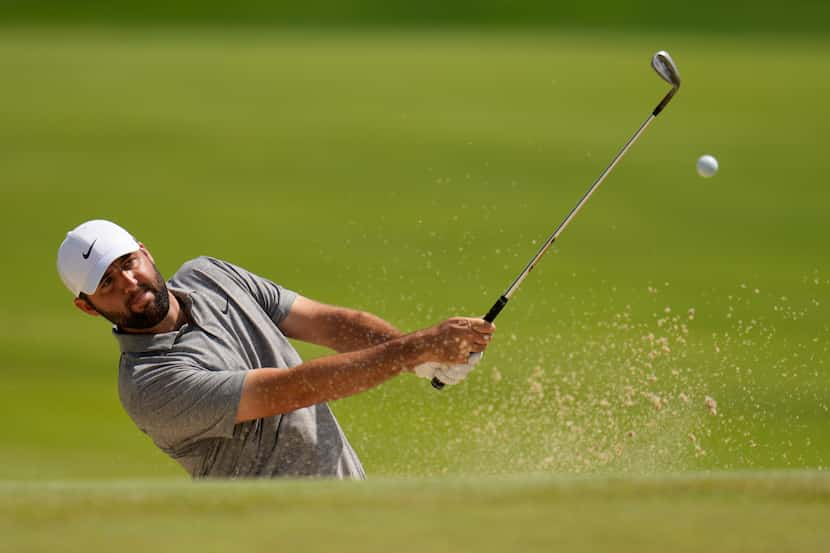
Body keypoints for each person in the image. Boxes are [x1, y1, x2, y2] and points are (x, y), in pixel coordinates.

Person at [57, 219, 495, 479]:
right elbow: (294, 389)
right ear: (87, 306)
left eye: (127, 264)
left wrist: (419, 359)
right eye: (107, 283)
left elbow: (326, 322)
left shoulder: (211, 277)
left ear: (144, 252)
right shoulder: (150, 385)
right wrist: (415, 348)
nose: (130, 284)